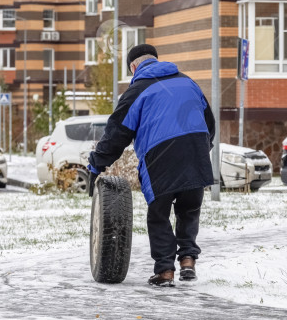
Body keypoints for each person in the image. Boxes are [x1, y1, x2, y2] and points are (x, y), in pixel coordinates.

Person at [88, 44, 215, 288]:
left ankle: (165, 271)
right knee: (189, 208)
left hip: (160, 155)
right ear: (156, 61)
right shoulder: (188, 82)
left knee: (159, 214)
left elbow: (116, 135)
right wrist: (197, 151)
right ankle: (188, 260)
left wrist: (96, 165)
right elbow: (210, 124)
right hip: (195, 151)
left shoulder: (137, 91)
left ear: (134, 67)